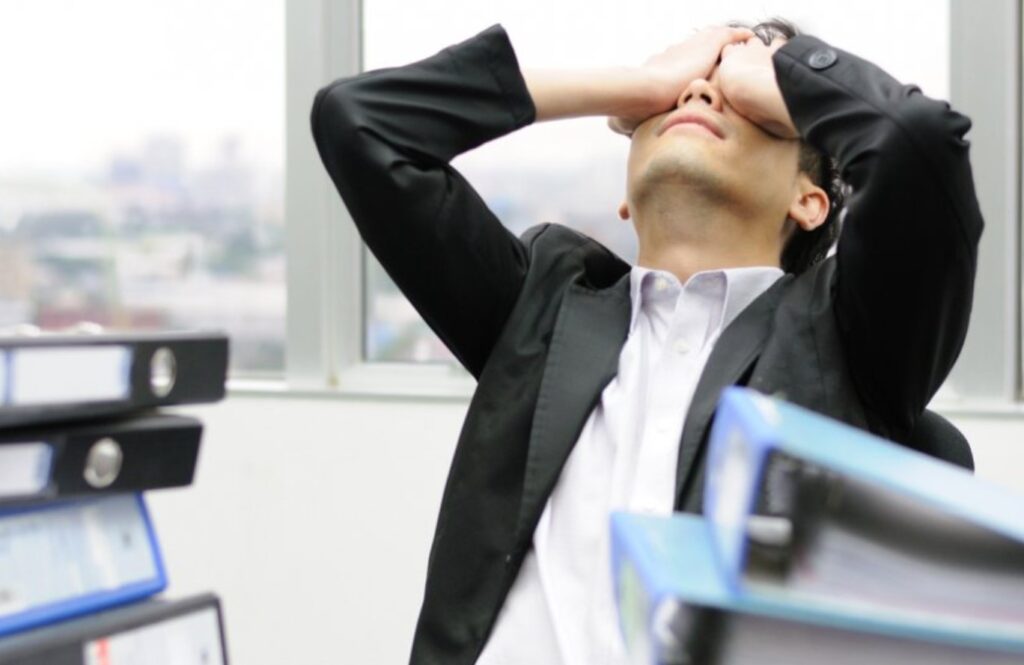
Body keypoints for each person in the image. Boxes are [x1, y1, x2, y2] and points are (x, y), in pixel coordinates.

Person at [311, 18, 982, 665]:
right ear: (625, 198)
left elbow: (919, 145)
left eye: (749, 102)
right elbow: (361, 122)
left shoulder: (852, 343)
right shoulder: (542, 307)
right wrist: (638, 84)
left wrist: (782, 71)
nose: (702, 91)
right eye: (682, 90)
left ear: (810, 200)